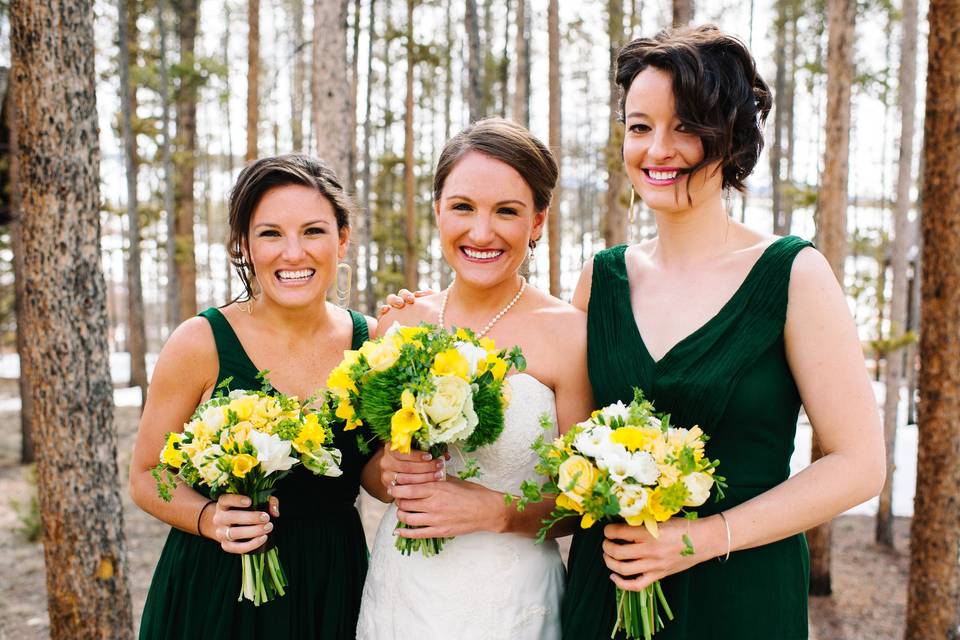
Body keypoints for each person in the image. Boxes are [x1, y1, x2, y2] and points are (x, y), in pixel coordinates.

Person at [560, 25, 885, 639]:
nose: (658, 148)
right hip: (609, 597)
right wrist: (432, 315)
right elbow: (548, 415)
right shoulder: (598, 282)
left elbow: (860, 464)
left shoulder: (792, 275)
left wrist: (703, 538)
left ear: (732, 137)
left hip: (740, 598)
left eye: (686, 126)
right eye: (639, 126)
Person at [129, 154, 385, 639]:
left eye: (313, 231)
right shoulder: (200, 342)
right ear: (243, 245)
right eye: (270, 234)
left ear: (342, 239)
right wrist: (207, 518)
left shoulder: (372, 344)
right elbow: (146, 475)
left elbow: (373, 475)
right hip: (217, 589)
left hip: (331, 586)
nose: (293, 253)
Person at [355, 118, 593, 640]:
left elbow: (583, 505)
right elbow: (370, 473)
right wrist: (390, 472)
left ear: (537, 222)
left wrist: (499, 512)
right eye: (462, 207)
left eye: (506, 211)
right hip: (405, 590)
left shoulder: (570, 335)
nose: (481, 233)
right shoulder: (400, 324)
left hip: (512, 600)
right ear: (438, 210)